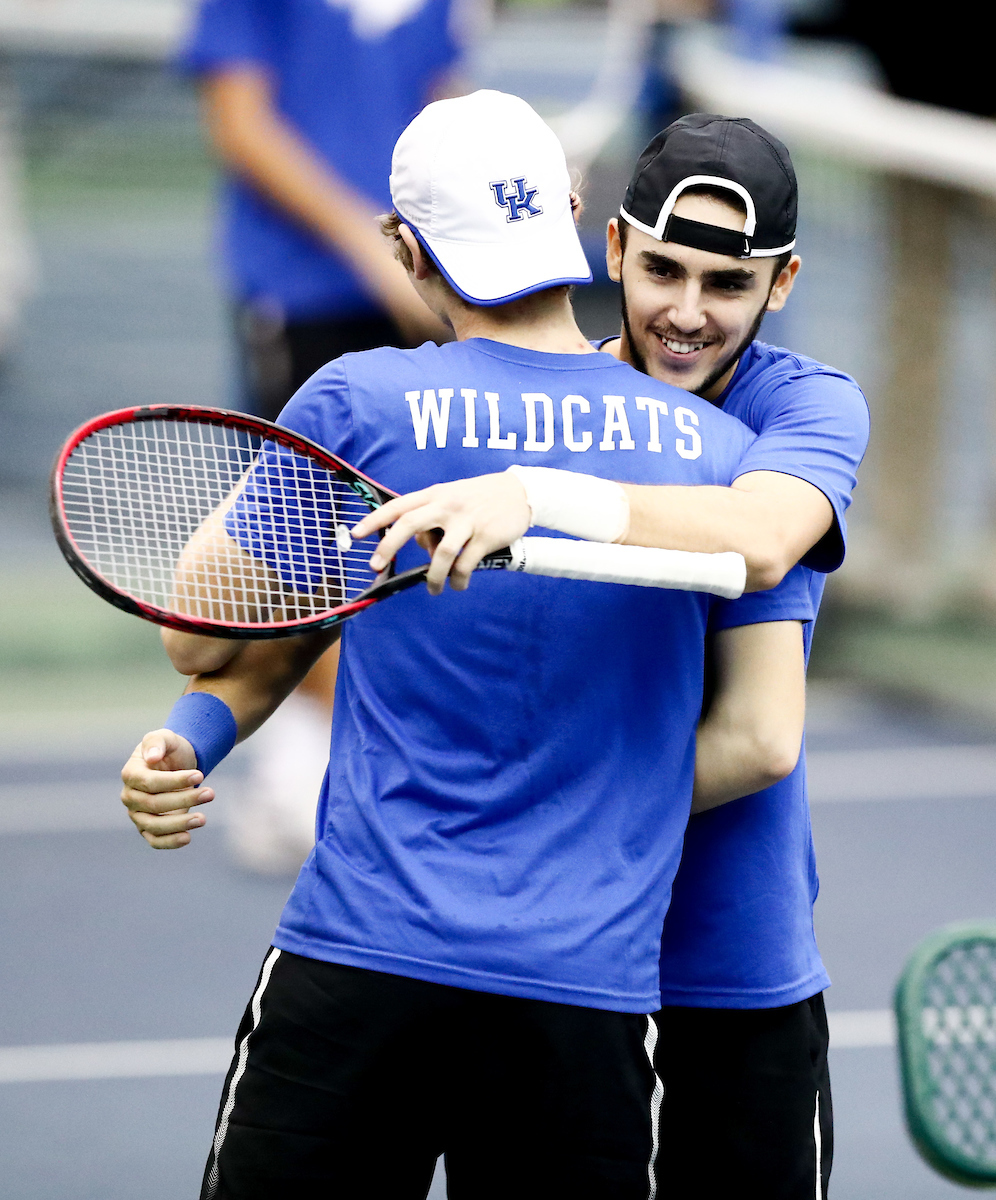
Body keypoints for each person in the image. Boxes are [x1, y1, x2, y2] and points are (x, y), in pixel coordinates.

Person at [119, 92, 814, 1198]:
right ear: (580, 222)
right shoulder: (732, 454)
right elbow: (765, 739)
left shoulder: (362, 402)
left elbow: (199, 639)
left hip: (360, 961)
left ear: (407, 249)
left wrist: (193, 731)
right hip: (583, 1001)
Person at [357, 114, 871, 1198]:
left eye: (727, 285)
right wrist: (202, 729)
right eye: (664, 272)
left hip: (732, 971)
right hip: (559, 974)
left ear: (780, 286)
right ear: (613, 253)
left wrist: (540, 495)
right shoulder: (552, 403)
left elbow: (763, 688)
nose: (687, 314)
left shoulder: (800, 411)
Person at [179, 0, 465, 869]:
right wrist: (362, 239)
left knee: (400, 549)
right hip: (300, 298)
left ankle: (330, 779)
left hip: (409, 290)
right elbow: (240, 123)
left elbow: (441, 104)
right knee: (293, 562)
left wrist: (446, 248)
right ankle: (308, 776)